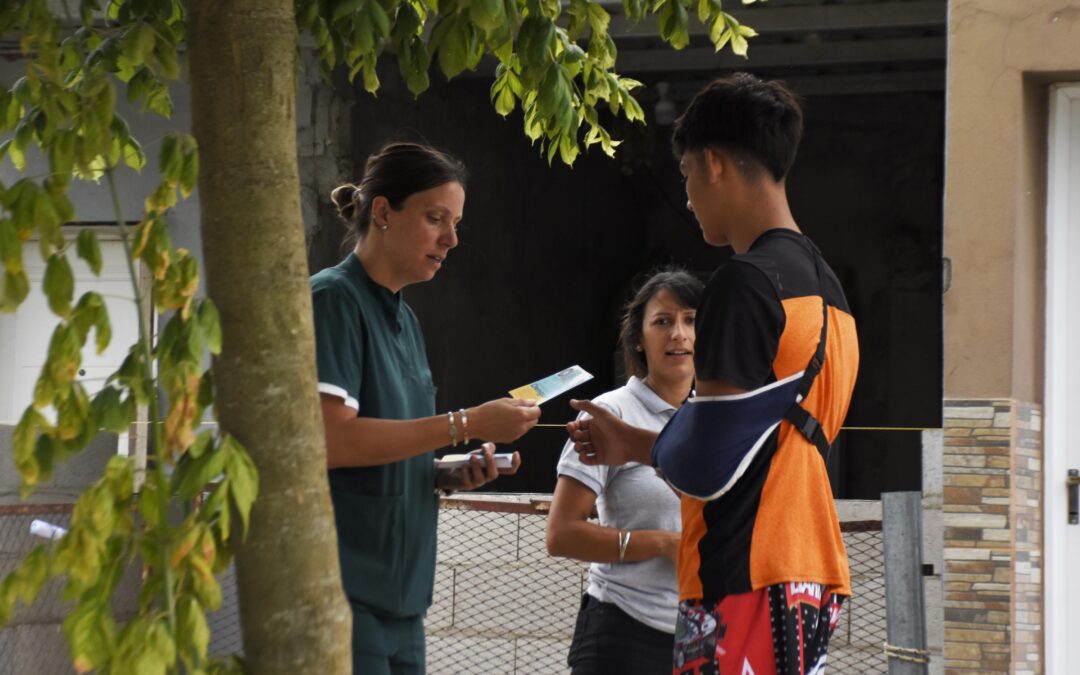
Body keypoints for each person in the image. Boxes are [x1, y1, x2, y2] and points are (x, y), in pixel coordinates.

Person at [567, 73, 860, 675]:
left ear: (715, 163)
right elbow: (761, 445)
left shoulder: (746, 281)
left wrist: (641, 448)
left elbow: (709, 463)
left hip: (743, 570)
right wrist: (632, 442)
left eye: (687, 177)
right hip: (812, 571)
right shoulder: (830, 292)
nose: (690, 195)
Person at [310, 142, 542, 674]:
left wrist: (445, 472)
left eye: (456, 223)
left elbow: (391, 445)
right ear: (383, 212)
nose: (452, 239)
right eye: (436, 218)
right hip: (346, 591)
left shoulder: (406, 321)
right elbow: (333, 441)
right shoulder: (332, 301)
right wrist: (465, 424)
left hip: (406, 597)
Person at [546, 269, 703, 674]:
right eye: (663, 321)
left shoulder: (718, 420)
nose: (678, 334)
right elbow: (561, 533)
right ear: (638, 338)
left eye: (691, 320)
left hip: (703, 635)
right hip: (623, 635)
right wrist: (667, 545)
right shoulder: (611, 414)